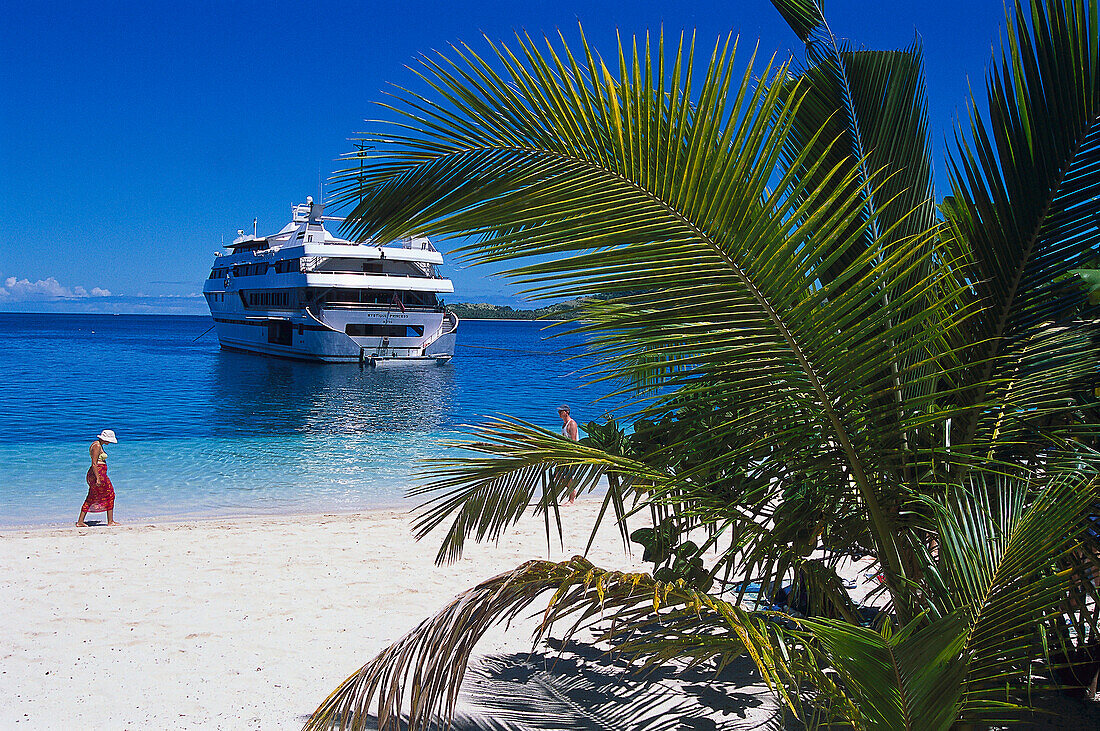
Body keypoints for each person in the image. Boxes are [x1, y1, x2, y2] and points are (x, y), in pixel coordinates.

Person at [76, 430, 119, 527]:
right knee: (109, 494)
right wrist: (98, 478)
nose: (109, 443)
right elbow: (94, 463)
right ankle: (110, 521)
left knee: (93, 495)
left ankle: (81, 521)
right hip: (99, 473)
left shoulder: (97, 444)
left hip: (100, 473)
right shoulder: (97, 446)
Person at [558, 406, 579, 503]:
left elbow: (574, 441)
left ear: (566, 412)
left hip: (571, 454)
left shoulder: (572, 424)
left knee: (568, 475)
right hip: (564, 453)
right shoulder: (564, 424)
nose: (559, 412)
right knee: (558, 475)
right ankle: (572, 491)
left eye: (560, 411)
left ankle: (572, 497)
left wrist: (570, 455)